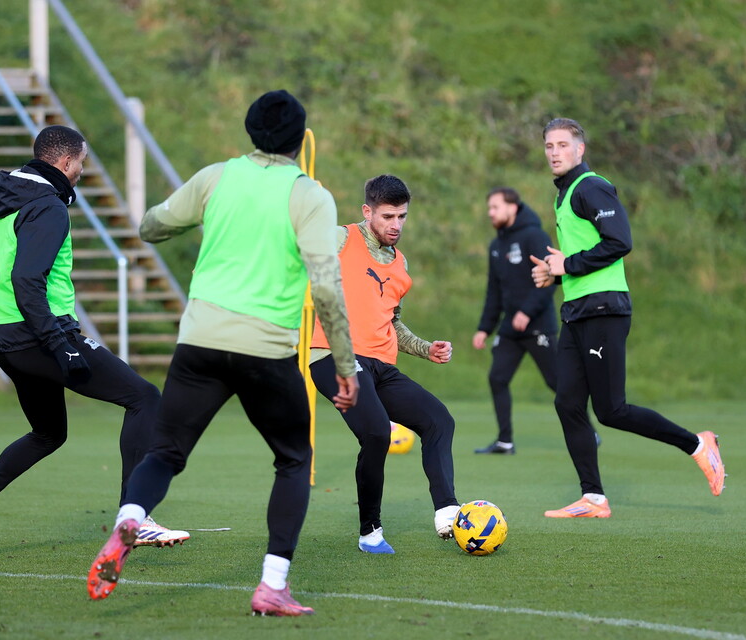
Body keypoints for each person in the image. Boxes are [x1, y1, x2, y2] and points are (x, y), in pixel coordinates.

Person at [86, 90, 359, 616]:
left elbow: (150, 226)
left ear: (250, 130)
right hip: (266, 348)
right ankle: (272, 585)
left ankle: (131, 515)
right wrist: (345, 367)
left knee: (164, 451)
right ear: (301, 141)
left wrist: (189, 222)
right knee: (293, 460)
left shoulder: (216, 177)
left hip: (200, 340)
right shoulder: (311, 196)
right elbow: (326, 288)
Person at [0, 125, 189, 564]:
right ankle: (134, 520)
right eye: (82, 163)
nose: (83, 170)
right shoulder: (49, 207)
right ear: (67, 162)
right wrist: (62, 344)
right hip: (40, 335)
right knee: (144, 397)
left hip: (5, 338)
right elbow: (26, 279)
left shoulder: (10, 194)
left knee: (49, 433)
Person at [530, 117, 726, 518]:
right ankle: (594, 499)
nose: (554, 152)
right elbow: (579, 258)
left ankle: (698, 445)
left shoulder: (591, 187)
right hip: (576, 312)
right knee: (567, 402)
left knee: (612, 410)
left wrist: (568, 265)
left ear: (580, 150)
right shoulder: (564, 195)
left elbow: (620, 242)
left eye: (562, 145)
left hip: (605, 310)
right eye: (549, 146)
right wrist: (554, 272)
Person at [309, 174, 460, 555]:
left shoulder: (400, 262)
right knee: (377, 432)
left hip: (380, 364)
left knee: (439, 420)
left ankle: (447, 512)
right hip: (333, 355)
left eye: (402, 217)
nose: (396, 225)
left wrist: (426, 348)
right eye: (388, 216)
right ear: (367, 211)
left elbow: (391, 320)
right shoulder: (342, 238)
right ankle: (369, 531)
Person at [472, 187, 558, 455]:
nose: (491, 213)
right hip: (511, 328)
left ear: (513, 207)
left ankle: (587, 431)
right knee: (497, 378)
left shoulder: (534, 235)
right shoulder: (496, 246)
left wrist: (527, 312)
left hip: (538, 326)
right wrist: (484, 329)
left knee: (558, 382)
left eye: (495, 207)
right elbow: (493, 292)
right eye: (489, 208)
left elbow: (550, 280)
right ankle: (504, 442)